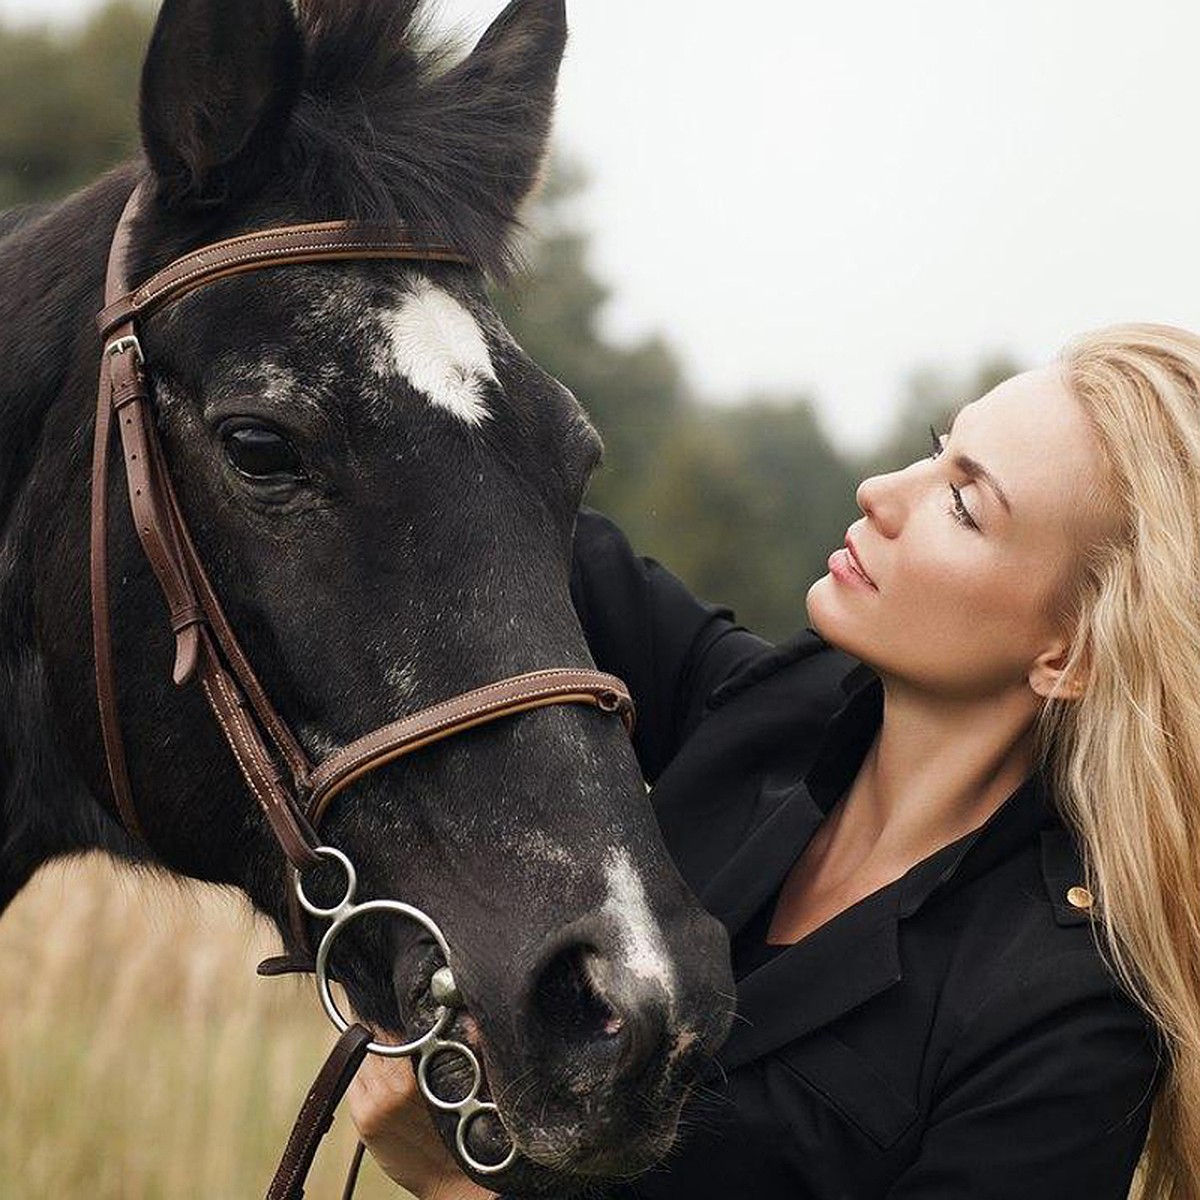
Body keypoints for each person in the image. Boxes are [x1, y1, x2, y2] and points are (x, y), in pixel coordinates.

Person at [347, 324, 1200, 1198]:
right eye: (937, 450)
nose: (881, 493)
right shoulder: (778, 712)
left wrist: (454, 1188)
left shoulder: (1067, 1019)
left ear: (1070, 656)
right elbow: (482, 495)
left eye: (963, 504)